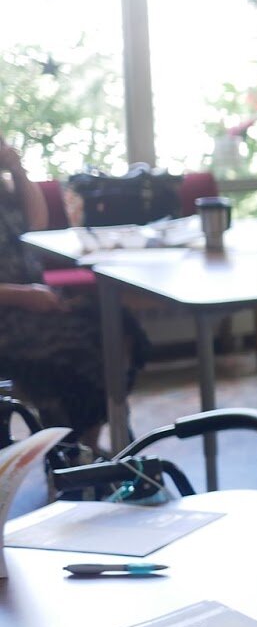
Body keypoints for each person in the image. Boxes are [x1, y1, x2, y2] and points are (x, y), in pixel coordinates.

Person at [0, 136, 148, 445]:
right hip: (10, 314)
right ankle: (75, 448)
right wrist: (24, 295)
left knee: (119, 326)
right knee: (81, 355)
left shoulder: (6, 192)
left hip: (36, 302)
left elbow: (37, 221)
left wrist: (16, 168)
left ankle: (85, 441)